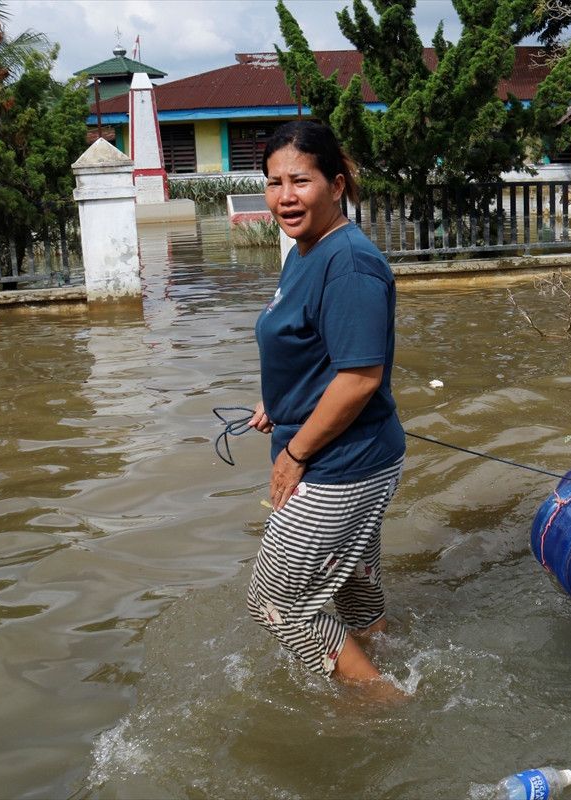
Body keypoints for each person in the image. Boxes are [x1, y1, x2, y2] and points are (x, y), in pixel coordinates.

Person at [244, 121, 406, 687]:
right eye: (274, 183)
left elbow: (359, 379)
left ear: (336, 186)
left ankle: (384, 707)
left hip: (343, 462)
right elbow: (317, 348)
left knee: (276, 603)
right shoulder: (305, 250)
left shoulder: (350, 264)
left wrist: (294, 455)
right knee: (354, 591)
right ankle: (391, 665)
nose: (285, 197)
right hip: (342, 450)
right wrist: (278, 399)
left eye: (300, 181)